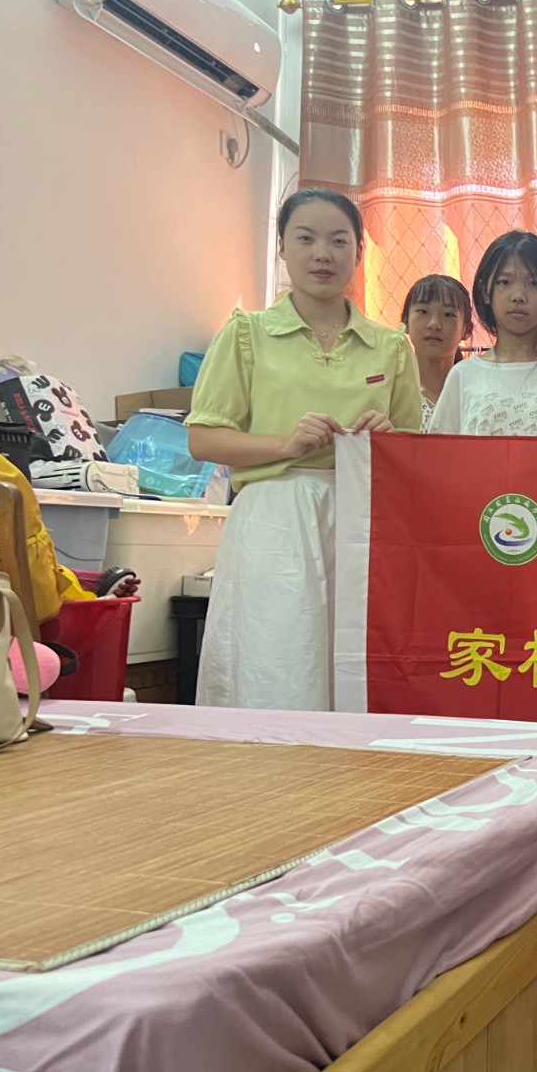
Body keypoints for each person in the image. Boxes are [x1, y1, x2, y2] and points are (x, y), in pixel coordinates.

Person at [186, 187, 421, 711]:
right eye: (306, 239)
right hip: (274, 519)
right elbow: (203, 439)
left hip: (364, 524)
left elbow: (415, 456)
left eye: (339, 241)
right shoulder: (247, 334)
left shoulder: (390, 346)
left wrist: (388, 440)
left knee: (355, 664)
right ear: (282, 248)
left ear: (359, 252)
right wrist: (286, 443)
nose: (323, 254)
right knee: (276, 659)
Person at [429, 232, 537, 436]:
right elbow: (439, 452)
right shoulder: (463, 375)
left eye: (534, 283)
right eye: (504, 282)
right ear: (485, 291)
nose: (518, 296)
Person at [401, 274, 472, 430]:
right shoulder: (392, 394)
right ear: (405, 321)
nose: (434, 324)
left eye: (448, 314)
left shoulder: (475, 396)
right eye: (423, 311)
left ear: (466, 329)